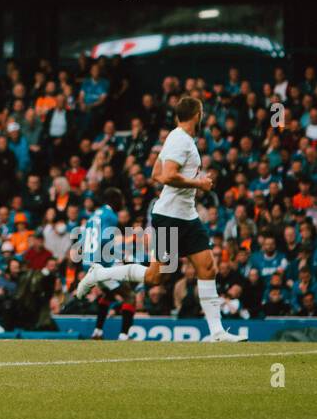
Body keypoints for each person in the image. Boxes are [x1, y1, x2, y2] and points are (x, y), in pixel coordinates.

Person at [83, 96, 243, 343]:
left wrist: (189, 185)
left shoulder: (177, 137)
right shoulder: (181, 139)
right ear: (197, 115)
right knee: (155, 276)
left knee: (207, 267)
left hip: (187, 215)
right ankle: (100, 275)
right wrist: (199, 183)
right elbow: (167, 175)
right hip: (169, 216)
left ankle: (217, 332)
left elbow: (156, 173)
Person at [74, 188, 137, 340]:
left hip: (89, 263)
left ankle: (98, 331)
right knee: (129, 295)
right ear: (115, 201)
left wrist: (85, 264)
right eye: (120, 199)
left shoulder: (93, 216)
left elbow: (82, 242)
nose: (122, 202)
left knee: (109, 294)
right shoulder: (111, 216)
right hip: (101, 264)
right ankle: (124, 335)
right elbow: (103, 240)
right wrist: (117, 255)